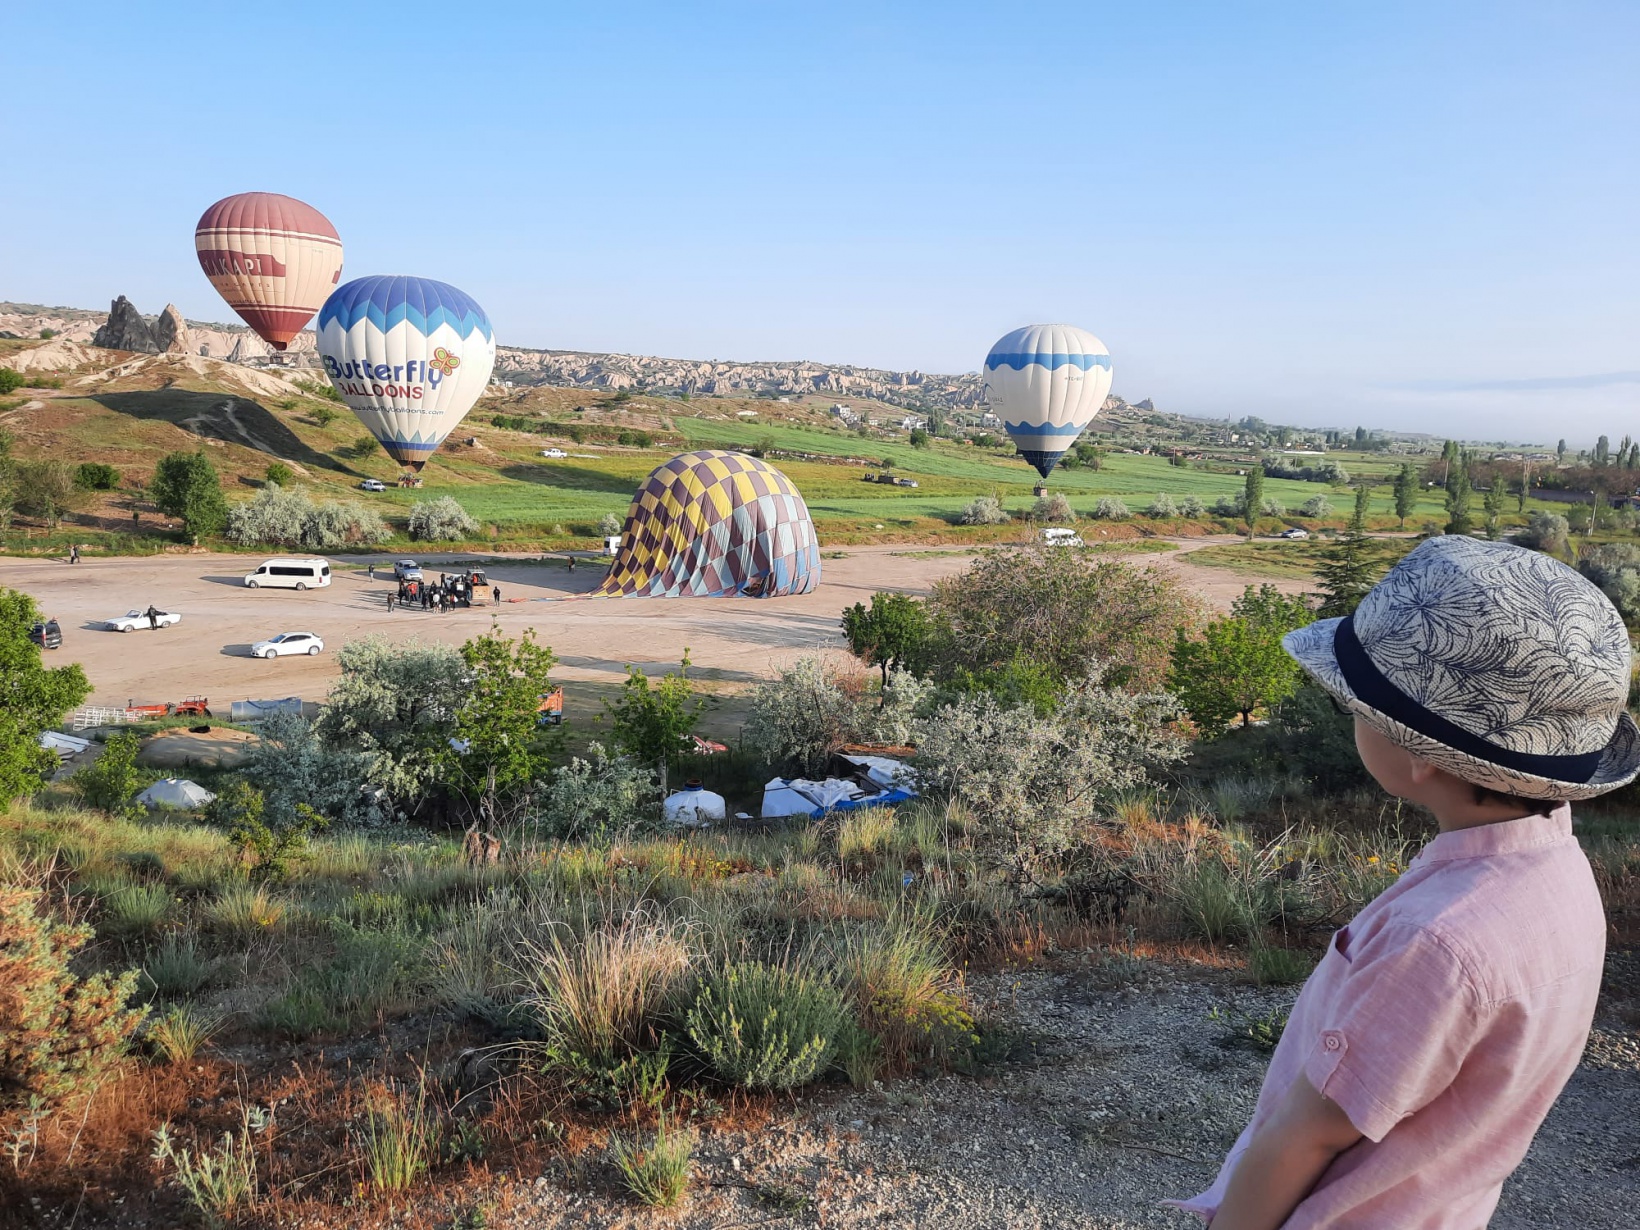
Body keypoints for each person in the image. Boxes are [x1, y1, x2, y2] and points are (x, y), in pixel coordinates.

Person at [1171, 536, 1634, 1230]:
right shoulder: (1557, 876)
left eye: (1355, 705)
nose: (1350, 715)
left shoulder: (1436, 941)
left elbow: (1309, 1134)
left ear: (1422, 757)